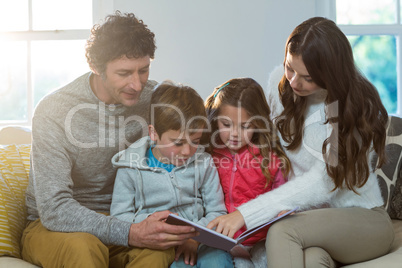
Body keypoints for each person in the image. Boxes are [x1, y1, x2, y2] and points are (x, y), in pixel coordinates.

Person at [207, 17, 395, 267]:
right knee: (312, 260)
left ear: (331, 73)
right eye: (290, 68)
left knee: (282, 232)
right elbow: (262, 138)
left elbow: (321, 183)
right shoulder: (279, 86)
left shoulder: (354, 110)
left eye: (307, 77)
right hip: (312, 224)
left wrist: (245, 215)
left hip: (363, 221)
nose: (294, 82)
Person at [21, 11, 197, 268]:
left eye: (144, 70)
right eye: (124, 73)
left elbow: (195, 132)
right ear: (96, 67)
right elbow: (55, 208)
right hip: (55, 227)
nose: (136, 84)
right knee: (84, 247)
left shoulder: (155, 98)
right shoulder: (54, 110)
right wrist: (130, 232)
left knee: (159, 251)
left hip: (126, 217)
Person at [110, 80, 234, 268]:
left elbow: (217, 211)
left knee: (217, 261)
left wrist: (195, 238)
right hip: (157, 242)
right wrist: (151, 224)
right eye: (178, 143)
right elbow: (119, 216)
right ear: (154, 133)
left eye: (195, 141)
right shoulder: (130, 167)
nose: (187, 151)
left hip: (199, 241)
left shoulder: (204, 163)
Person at [204, 78, 290, 267]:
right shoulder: (208, 154)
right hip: (223, 241)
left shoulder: (269, 156)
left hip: (261, 240)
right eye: (226, 124)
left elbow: (282, 196)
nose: (234, 134)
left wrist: (282, 212)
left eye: (244, 126)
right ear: (215, 119)